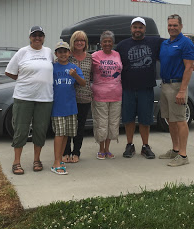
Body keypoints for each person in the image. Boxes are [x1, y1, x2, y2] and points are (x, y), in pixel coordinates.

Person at [5, 26, 53, 175]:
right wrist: (24, 80)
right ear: (30, 37)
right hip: (24, 97)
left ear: (44, 37)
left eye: (40, 35)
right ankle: (16, 162)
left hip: (45, 98)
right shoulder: (22, 52)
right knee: (21, 129)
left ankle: (37, 160)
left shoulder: (49, 52)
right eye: (34, 35)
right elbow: (9, 72)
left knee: (40, 130)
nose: (37, 38)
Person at [115, 17, 164, 159]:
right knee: (128, 119)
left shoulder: (154, 42)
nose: (137, 30)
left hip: (146, 88)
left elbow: (172, 44)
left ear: (145, 29)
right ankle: (129, 145)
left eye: (140, 27)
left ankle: (145, 146)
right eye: (135, 27)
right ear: (131, 29)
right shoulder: (122, 45)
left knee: (145, 119)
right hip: (128, 88)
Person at [158, 14, 194, 166]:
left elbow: (189, 67)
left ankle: (183, 156)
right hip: (165, 85)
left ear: (181, 26)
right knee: (169, 119)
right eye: (170, 25)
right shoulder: (166, 43)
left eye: (175, 25)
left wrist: (182, 90)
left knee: (180, 119)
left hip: (177, 86)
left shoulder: (186, 43)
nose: (172, 28)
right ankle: (175, 149)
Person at [50, 41, 86, 175]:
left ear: (69, 53)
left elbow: (83, 83)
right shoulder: (52, 68)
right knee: (59, 134)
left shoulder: (74, 68)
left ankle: (60, 159)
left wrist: (75, 75)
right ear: (56, 54)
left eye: (65, 51)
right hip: (57, 107)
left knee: (65, 134)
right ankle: (56, 163)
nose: (63, 54)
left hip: (71, 107)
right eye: (60, 52)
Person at [91, 30, 123, 159]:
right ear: (100, 43)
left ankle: (108, 149)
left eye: (110, 41)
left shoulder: (117, 55)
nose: (107, 44)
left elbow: (119, 71)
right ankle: (101, 149)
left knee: (113, 123)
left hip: (116, 94)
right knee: (101, 123)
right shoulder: (95, 56)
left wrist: (112, 77)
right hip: (100, 95)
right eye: (105, 41)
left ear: (113, 43)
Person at [63, 30, 92, 163]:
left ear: (85, 42)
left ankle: (77, 152)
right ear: (72, 42)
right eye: (77, 40)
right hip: (68, 97)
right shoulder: (67, 57)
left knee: (80, 127)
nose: (80, 42)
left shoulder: (90, 58)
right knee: (68, 126)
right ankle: (66, 151)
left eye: (82, 40)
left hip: (85, 97)